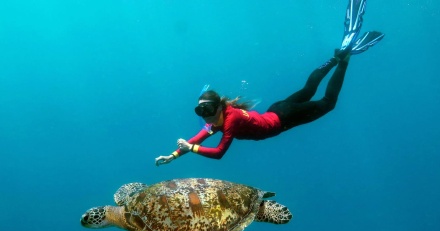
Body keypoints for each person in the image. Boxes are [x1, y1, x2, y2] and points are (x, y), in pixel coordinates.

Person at [155, 0, 384, 166]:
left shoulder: (230, 120)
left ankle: (343, 60)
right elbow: (197, 137)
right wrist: (174, 155)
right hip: (277, 111)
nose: (203, 114)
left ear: (217, 107)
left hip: (284, 117)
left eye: (206, 109)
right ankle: (335, 57)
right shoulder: (216, 120)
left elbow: (218, 153)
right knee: (308, 89)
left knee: (328, 102)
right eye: (199, 110)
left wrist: (190, 148)